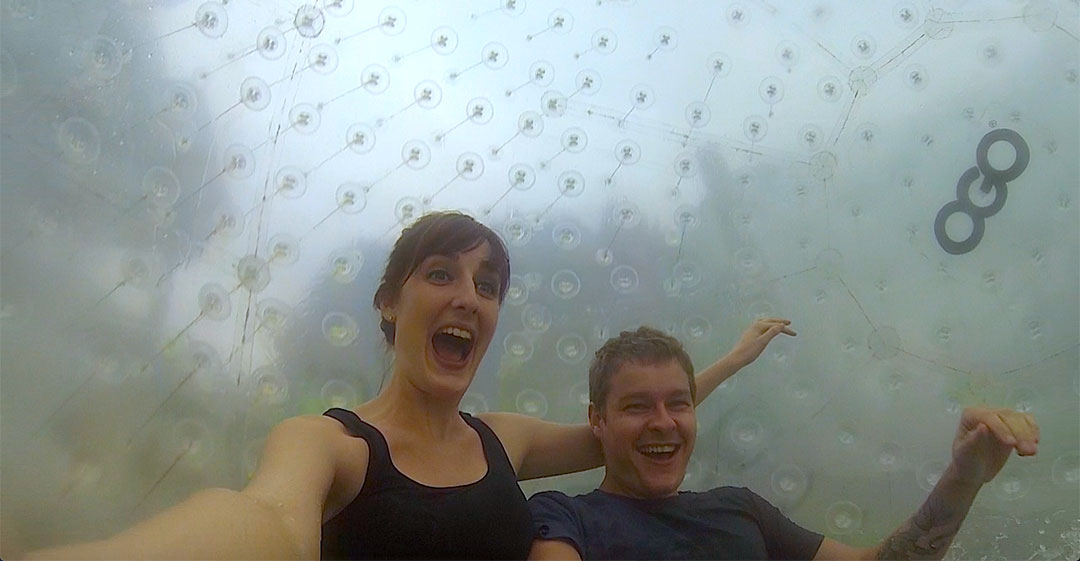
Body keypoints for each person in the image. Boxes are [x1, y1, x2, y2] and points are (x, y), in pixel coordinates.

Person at [16, 211, 796, 560]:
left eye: (487, 284)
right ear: (390, 302)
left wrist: (727, 361)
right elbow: (265, 524)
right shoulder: (331, 442)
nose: (469, 294)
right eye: (441, 273)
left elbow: (631, 425)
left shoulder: (504, 439)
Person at [528, 326, 1041, 561]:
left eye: (679, 403)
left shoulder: (739, 509)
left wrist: (965, 476)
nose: (663, 422)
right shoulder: (563, 519)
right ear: (596, 421)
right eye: (637, 407)